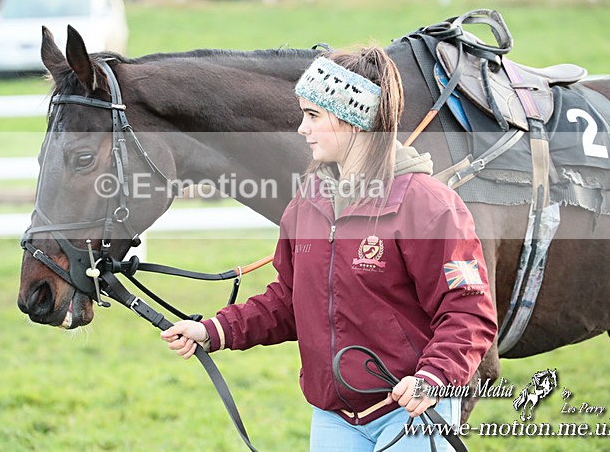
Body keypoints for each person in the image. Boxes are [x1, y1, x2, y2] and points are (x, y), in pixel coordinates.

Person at [161, 46, 498, 451]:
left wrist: (434, 377)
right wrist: (213, 330)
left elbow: (468, 312)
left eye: (313, 115)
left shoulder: (428, 205)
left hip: (411, 411)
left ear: (354, 120)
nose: (301, 129)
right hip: (334, 418)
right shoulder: (307, 202)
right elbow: (289, 299)